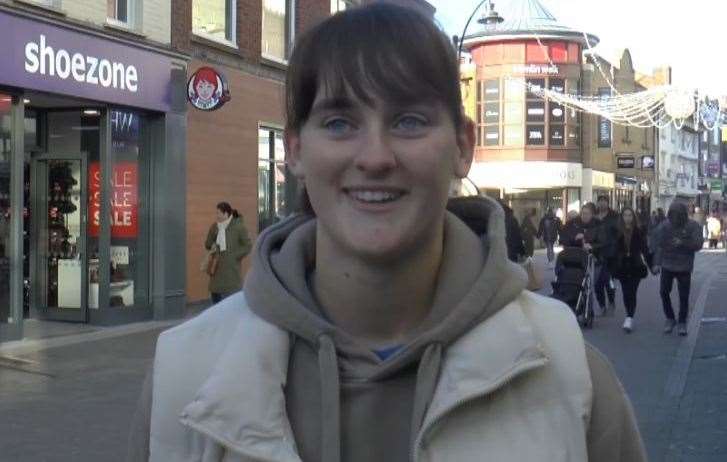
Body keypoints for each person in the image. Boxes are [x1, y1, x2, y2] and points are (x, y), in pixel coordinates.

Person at [129, 6, 646, 462]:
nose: (375, 157)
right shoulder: (186, 378)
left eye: (410, 121)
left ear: (463, 146)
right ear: (296, 151)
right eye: (338, 123)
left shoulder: (566, 372)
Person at [651, 202, 703, 336]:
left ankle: (682, 322)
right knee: (663, 292)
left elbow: (698, 244)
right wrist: (656, 263)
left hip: (684, 265)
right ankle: (670, 318)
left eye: (678, 215)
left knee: (683, 296)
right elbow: (659, 245)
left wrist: (683, 243)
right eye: (672, 215)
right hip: (667, 264)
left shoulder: (693, 226)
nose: (675, 218)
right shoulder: (665, 226)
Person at [203, 202, 252, 304]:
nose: (217, 216)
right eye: (216, 213)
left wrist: (235, 256)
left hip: (231, 272)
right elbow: (207, 244)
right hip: (216, 268)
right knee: (216, 303)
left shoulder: (238, 227)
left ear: (226, 214)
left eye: (218, 213)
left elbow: (248, 245)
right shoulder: (215, 227)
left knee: (230, 304)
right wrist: (211, 245)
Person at [610, 208, 649, 333]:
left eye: (630, 215)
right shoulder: (616, 232)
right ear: (622, 217)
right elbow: (612, 250)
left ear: (633, 217)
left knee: (632, 291)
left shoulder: (639, 231)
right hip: (622, 266)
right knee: (626, 293)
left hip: (635, 265)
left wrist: (652, 264)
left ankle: (629, 317)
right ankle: (629, 314)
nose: (628, 218)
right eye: (625, 215)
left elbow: (645, 249)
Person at [594, 195, 619, 316]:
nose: (602, 204)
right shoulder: (594, 217)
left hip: (610, 253)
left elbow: (619, 233)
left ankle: (611, 301)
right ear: (597, 203)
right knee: (597, 282)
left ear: (608, 203)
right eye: (600, 201)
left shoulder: (614, 216)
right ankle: (602, 305)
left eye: (604, 201)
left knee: (608, 280)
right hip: (597, 254)